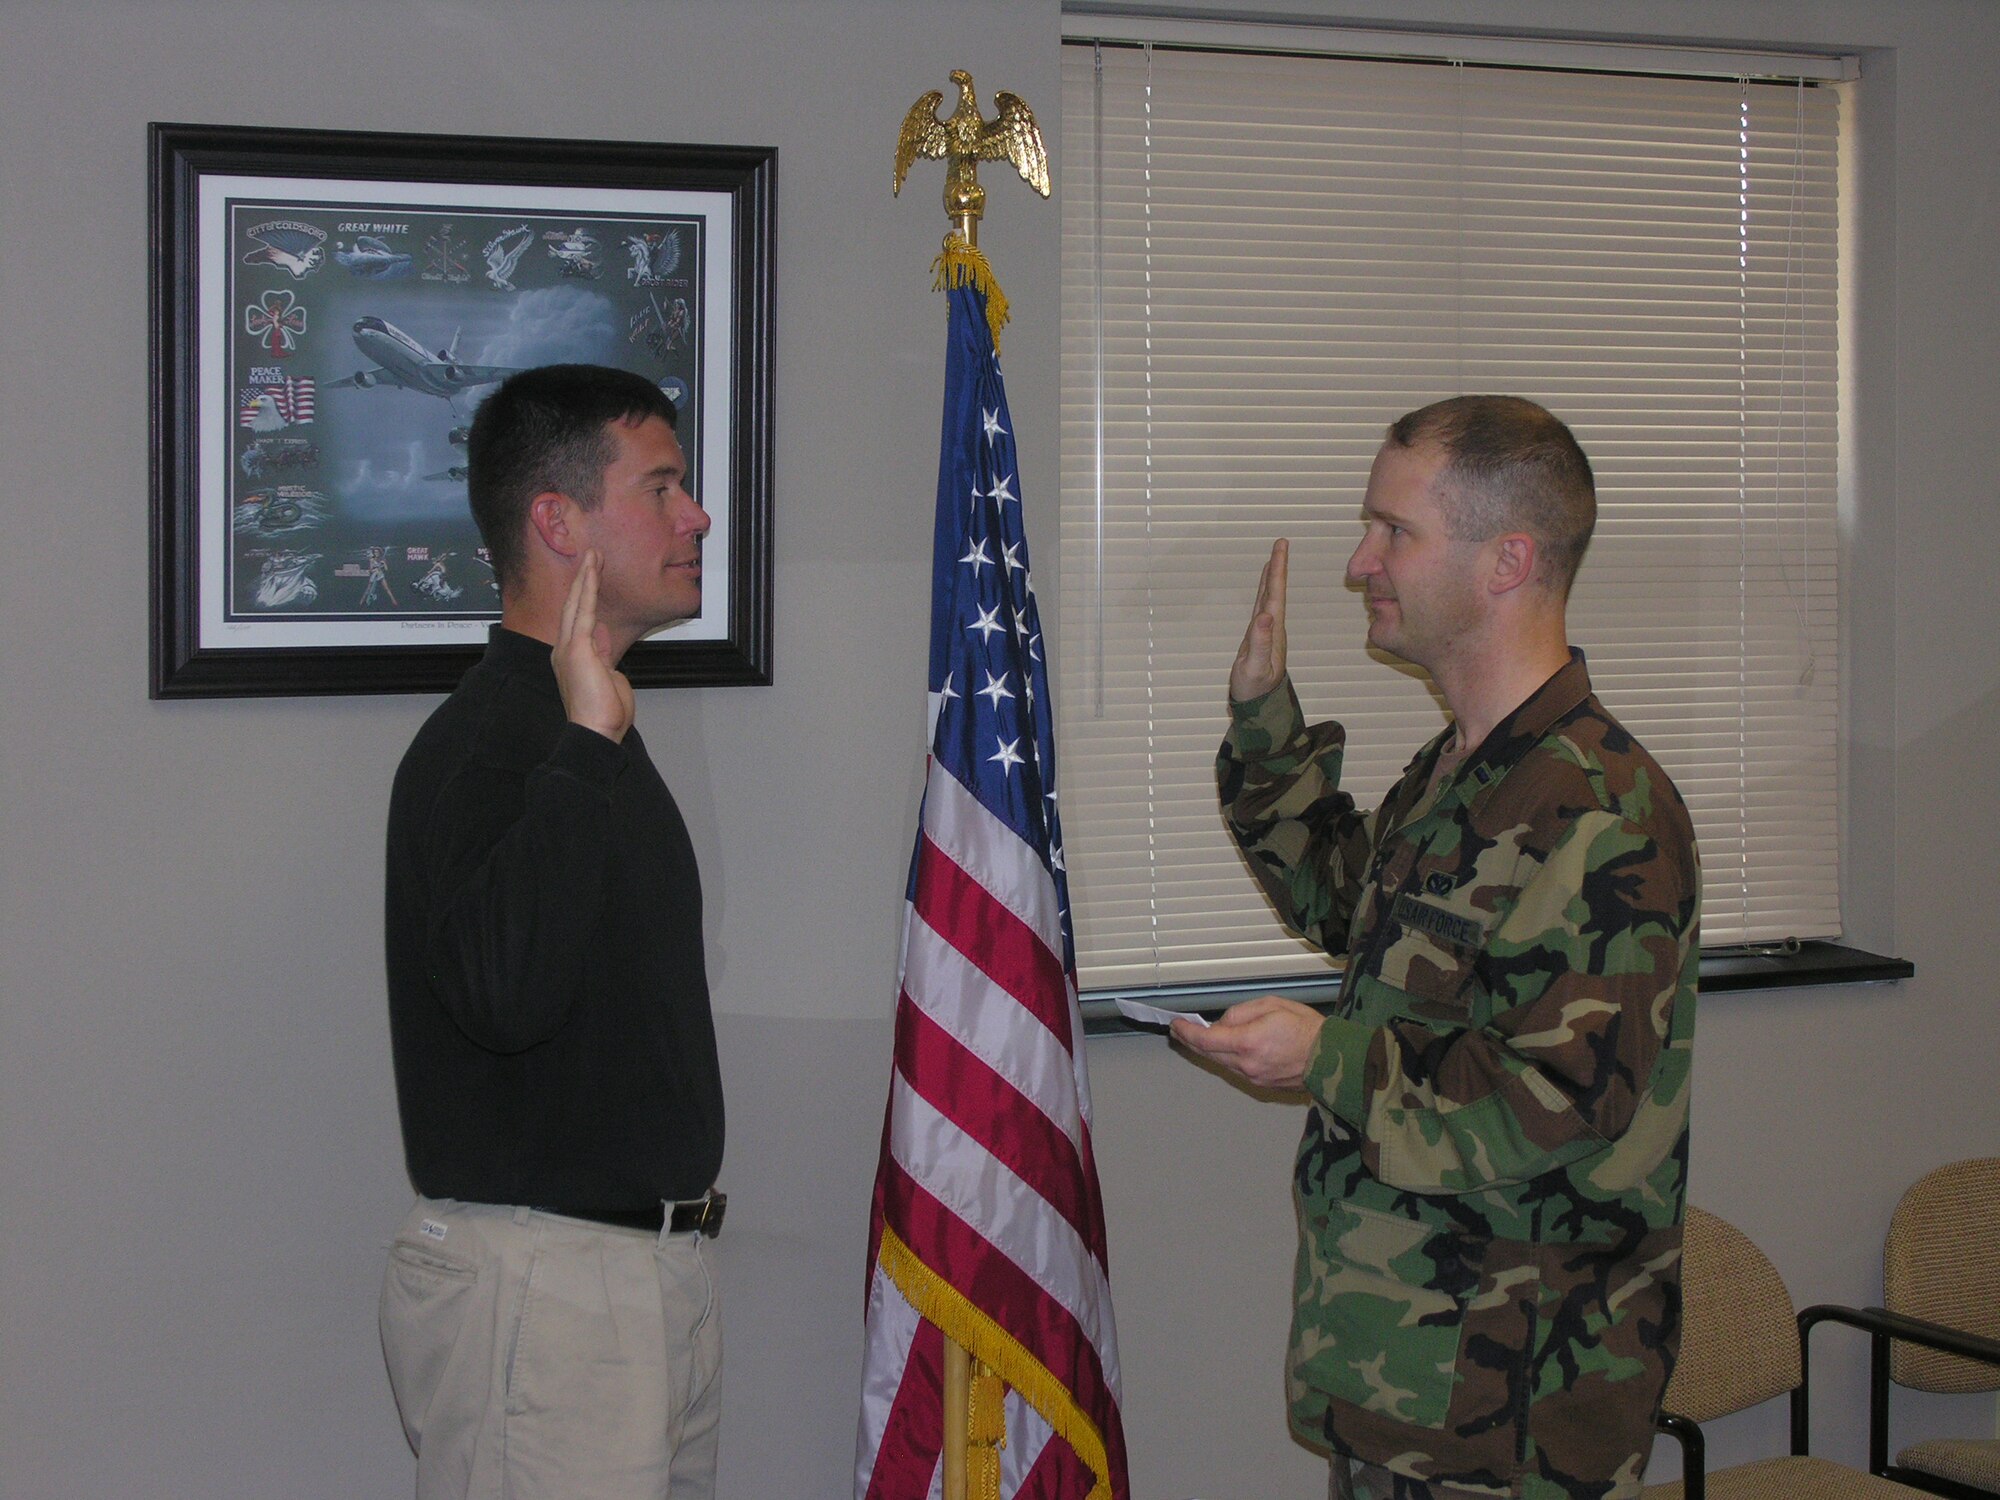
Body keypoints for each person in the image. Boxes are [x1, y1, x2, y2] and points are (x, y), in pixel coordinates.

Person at [1173, 396, 1699, 1500]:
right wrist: (1264, 717)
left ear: (1505, 560)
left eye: (1392, 531)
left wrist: (1322, 1058)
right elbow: (1343, 907)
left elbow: (1551, 1103)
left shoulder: (1600, 809)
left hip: (1511, 1416)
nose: (1360, 562)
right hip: (1407, 1380)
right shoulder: (1465, 771)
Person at [379, 364, 725, 1500]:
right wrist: (581, 745)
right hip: (545, 1293)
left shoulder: (591, 722)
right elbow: (502, 995)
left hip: (641, 1284)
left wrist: (590, 735)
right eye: (663, 487)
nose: (697, 516)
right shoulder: (495, 744)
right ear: (556, 521)